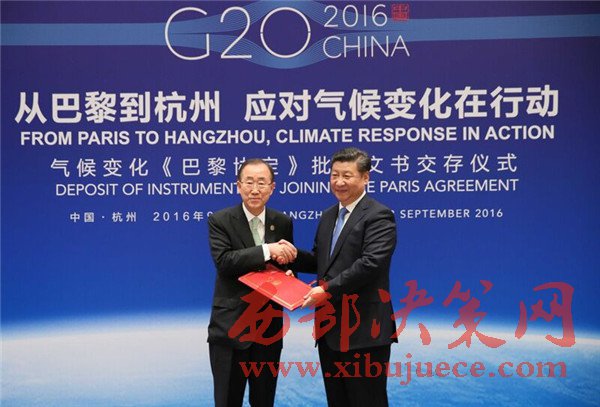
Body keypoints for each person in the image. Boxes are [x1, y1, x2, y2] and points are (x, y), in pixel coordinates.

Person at [301, 147, 398, 407]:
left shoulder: (378, 215)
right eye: (334, 175)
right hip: (330, 330)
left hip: (364, 330)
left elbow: (370, 264)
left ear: (365, 177)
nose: (339, 182)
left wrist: (327, 290)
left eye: (347, 175)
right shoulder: (328, 215)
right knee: (338, 401)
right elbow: (321, 260)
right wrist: (289, 258)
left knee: (368, 401)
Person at [207, 158, 298, 407]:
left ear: (272, 188)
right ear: (238, 186)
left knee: (264, 400)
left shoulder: (282, 222)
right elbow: (225, 261)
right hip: (231, 328)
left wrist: (289, 276)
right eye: (249, 182)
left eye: (261, 183)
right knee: (228, 400)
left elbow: (284, 264)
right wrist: (267, 249)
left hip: (268, 329)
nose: (255, 189)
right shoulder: (220, 220)